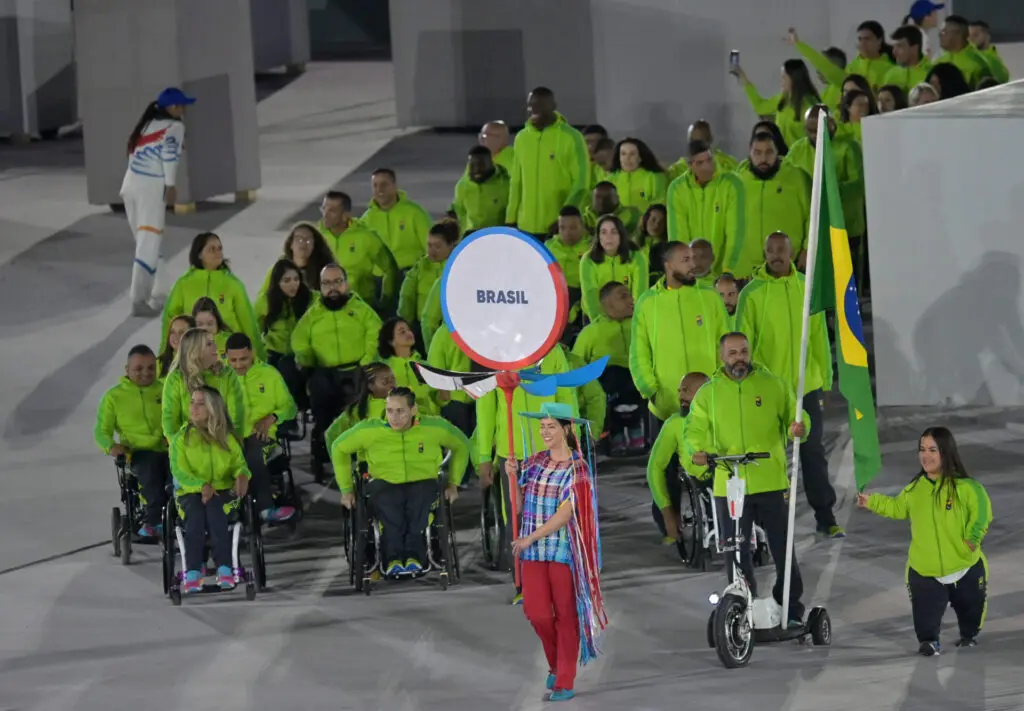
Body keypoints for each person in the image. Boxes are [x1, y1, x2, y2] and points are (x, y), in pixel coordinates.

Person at [685, 332, 809, 625]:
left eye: (743, 351)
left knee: (782, 548)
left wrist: (800, 428)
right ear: (721, 357)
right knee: (736, 552)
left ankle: (790, 606)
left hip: (771, 481)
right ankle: (742, 608)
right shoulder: (708, 393)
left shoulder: (773, 385)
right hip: (728, 485)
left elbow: (798, 418)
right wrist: (697, 452)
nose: (739, 358)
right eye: (732, 353)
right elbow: (693, 432)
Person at [735, 233, 842, 537]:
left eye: (781, 250)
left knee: (812, 453)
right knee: (768, 457)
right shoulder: (752, 295)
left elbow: (820, 336)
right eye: (770, 250)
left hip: (806, 388)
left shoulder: (807, 288)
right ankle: (766, 524)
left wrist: (826, 378)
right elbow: (743, 342)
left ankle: (826, 517)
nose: (775, 255)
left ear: (793, 253)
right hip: (768, 391)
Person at [857, 426, 993, 656]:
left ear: (946, 452)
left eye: (932, 449)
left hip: (965, 567)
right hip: (925, 570)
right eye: (922, 449)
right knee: (925, 620)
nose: (925, 455)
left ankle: (968, 635)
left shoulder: (967, 487)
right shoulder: (914, 489)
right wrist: (872, 501)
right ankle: (930, 641)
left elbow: (981, 513)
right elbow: (897, 508)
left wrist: (972, 539)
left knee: (972, 616)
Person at [506, 401, 605, 702]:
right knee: (536, 613)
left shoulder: (578, 468)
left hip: (563, 550)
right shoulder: (534, 462)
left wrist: (529, 537)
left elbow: (566, 513)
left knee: (565, 614)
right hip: (533, 552)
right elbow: (519, 505)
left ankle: (564, 678)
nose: (545, 432)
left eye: (551, 427)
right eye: (542, 427)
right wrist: (511, 475)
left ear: (566, 429)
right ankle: (555, 662)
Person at [333, 387, 470, 576]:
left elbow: (462, 445)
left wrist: (453, 484)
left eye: (400, 411)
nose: (394, 417)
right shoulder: (370, 429)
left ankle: (415, 556)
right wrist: (346, 489)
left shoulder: (434, 427)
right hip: (384, 482)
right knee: (391, 506)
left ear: (413, 410)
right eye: (390, 411)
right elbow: (338, 448)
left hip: (423, 482)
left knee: (418, 503)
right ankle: (392, 559)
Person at [475, 345, 579, 591]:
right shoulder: (494, 354)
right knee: (517, 518)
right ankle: (524, 585)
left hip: (551, 450)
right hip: (512, 453)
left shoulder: (551, 350)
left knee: (556, 517)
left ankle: (559, 580)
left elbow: (565, 394)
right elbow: (486, 408)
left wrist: (571, 437)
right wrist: (483, 456)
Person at [291, 264, 383, 465]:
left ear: (346, 283)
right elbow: (299, 341)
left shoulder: (361, 310)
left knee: (360, 401)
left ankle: (359, 449)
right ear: (320, 287)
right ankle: (326, 448)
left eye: (337, 282)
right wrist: (307, 361)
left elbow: (375, 334)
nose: (332, 288)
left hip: (358, 369)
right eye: (326, 283)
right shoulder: (313, 315)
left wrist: (366, 363)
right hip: (326, 372)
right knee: (319, 393)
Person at [629, 242, 729, 425]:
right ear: (668, 264)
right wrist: (651, 392)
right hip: (665, 407)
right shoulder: (647, 302)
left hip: (709, 402)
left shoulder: (710, 297)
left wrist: (722, 385)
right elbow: (639, 352)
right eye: (686, 260)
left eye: (693, 258)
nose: (693, 265)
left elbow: (724, 344)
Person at [168, 386, 251, 593]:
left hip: (222, 492)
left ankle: (224, 567)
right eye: (192, 402)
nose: (194, 407)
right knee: (195, 516)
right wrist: (201, 486)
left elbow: (239, 464)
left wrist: (242, 476)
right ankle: (194, 570)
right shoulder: (181, 439)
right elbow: (179, 471)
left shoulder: (227, 439)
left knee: (216, 511)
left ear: (213, 408)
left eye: (200, 403)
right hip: (190, 492)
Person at [121, 87, 194, 317]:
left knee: (148, 243)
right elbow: (169, 157)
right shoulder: (175, 127)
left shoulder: (145, 125)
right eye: (179, 105)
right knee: (148, 244)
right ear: (170, 107)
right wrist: (170, 185)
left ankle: (161, 290)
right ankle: (138, 299)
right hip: (151, 190)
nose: (182, 110)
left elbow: (132, 154)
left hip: (130, 188)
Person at [95, 345, 170, 537]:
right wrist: (111, 446)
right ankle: (154, 521)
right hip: (138, 452)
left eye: (151, 368)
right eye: (138, 369)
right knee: (151, 472)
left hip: (170, 448)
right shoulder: (115, 397)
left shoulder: (166, 389)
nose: (146, 373)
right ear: (127, 370)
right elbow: (102, 431)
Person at [224, 333, 298, 524]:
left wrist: (272, 418)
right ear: (225, 356)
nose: (239, 365)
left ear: (252, 353)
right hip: (229, 438)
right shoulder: (220, 378)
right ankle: (226, 509)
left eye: (243, 359)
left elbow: (289, 408)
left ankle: (265, 508)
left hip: (262, 437)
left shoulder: (269, 374)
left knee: (252, 456)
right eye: (233, 360)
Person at [160, 232, 263, 358]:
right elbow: (170, 320)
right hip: (191, 352)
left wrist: (258, 357)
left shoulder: (232, 284)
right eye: (211, 249)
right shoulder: (183, 284)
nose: (218, 252)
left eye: (220, 248)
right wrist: (164, 354)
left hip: (228, 356)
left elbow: (248, 323)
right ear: (199, 254)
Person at [506, 87, 590, 239]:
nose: (535, 109)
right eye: (531, 105)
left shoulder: (572, 137)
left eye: (541, 105)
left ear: (553, 106)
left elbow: (581, 182)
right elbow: (516, 181)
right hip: (525, 226)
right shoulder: (521, 138)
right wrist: (511, 218)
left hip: (558, 227)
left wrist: (564, 218)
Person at [572, 281, 642, 455]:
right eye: (623, 296)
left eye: (629, 295)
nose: (630, 299)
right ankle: (614, 434)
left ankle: (636, 433)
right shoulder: (592, 332)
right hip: (608, 387)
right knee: (613, 375)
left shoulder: (640, 326)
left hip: (638, 382)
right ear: (607, 304)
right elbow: (576, 365)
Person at [732, 131, 811, 278]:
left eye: (769, 152)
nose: (763, 158)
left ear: (777, 152)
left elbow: (813, 216)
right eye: (757, 152)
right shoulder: (737, 182)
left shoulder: (797, 178)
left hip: (788, 265)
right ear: (749, 153)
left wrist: (808, 250)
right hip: (747, 271)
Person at [785, 106, 865, 241]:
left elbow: (859, 184)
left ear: (832, 124)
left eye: (821, 130)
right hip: (812, 228)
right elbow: (786, 177)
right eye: (810, 131)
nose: (816, 135)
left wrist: (832, 191)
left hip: (846, 227)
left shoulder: (849, 147)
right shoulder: (797, 150)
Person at [646, 371, 708, 544]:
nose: (681, 395)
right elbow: (655, 467)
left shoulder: (722, 418)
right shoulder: (674, 424)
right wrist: (667, 513)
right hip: (699, 480)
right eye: (680, 390)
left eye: (686, 390)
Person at [666, 139, 742, 276]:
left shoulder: (732, 184)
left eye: (709, 160)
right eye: (700, 163)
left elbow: (736, 232)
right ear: (690, 165)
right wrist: (684, 270)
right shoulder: (677, 189)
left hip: (724, 276)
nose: (707, 166)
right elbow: (677, 235)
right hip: (691, 276)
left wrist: (728, 271)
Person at [317, 192, 399, 312]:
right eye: (324, 209)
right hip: (325, 306)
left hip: (361, 308)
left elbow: (390, 268)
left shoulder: (366, 237)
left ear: (345, 215)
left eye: (332, 211)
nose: (325, 215)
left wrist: (386, 301)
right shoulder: (317, 236)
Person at [161, 328, 246, 440]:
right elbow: (170, 420)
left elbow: (236, 415)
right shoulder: (176, 379)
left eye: (214, 342)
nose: (215, 347)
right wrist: (178, 449)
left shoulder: (227, 374)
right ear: (195, 350)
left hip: (223, 442)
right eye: (209, 344)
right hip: (188, 445)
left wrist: (233, 443)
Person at [255, 258, 311, 408]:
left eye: (295, 279)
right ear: (277, 283)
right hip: (273, 353)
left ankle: (288, 419)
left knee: (285, 367)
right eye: (286, 280)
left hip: (301, 357)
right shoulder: (266, 302)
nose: (293, 284)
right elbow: (254, 331)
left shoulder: (309, 299)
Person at [731, 58, 821, 148]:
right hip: (784, 157)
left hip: (803, 159)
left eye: (784, 77)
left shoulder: (811, 105)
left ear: (794, 78)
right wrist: (742, 77)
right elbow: (760, 107)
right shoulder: (783, 99)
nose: (781, 81)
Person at [398, 219, 458, 350]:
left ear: (452, 245)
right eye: (429, 245)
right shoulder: (420, 267)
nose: (432, 251)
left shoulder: (458, 269)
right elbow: (406, 295)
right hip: (419, 330)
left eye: (437, 246)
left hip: (447, 332)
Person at [788, 22, 894, 95]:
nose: (863, 43)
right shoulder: (852, 68)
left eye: (867, 39)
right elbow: (827, 68)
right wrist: (799, 45)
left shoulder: (890, 69)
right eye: (860, 39)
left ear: (879, 40)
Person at [360, 168, 433, 272]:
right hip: (381, 277)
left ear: (395, 186)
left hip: (411, 272)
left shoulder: (414, 213)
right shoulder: (366, 220)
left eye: (384, 184)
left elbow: (431, 246)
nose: (379, 189)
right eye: (375, 185)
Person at [579, 214, 649, 322]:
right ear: (598, 236)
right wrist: (600, 321)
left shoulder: (637, 256)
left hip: (628, 314)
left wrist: (633, 317)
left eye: (614, 232)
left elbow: (640, 291)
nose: (609, 237)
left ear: (621, 235)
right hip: (596, 317)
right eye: (604, 232)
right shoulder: (588, 260)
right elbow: (590, 294)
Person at [324, 362, 396, 450]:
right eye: (385, 382)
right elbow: (331, 434)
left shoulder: (406, 403)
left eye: (393, 379)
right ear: (371, 386)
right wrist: (340, 461)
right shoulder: (356, 411)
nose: (392, 384)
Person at [377, 316, 437, 415]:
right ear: (391, 341)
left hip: (424, 422)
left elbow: (438, 399)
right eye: (402, 332)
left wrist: (443, 394)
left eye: (409, 330)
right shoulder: (384, 369)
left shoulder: (425, 366)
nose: (408, 333)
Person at [545, 206, 590, 338]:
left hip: (580, 296)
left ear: (582, 226)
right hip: (553, 295)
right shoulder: (549, 246)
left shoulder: (592, 247)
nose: (567, 233)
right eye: (562, 228)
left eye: (573, 228)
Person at [451, 146, 511, 235]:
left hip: (497, 237)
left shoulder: (505, 185)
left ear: (491, 163)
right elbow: (457, 210)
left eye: (482, 165)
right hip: (470, 237)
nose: (477, 169)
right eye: (473, 165)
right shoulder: (462, 186)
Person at [261, 222, 334, 293]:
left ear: (314, 245)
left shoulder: (325, 271)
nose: (303, 243)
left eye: (308, 240)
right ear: (291, 244)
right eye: (299, 239)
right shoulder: (279, 269)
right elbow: (263, 298)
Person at [609, 137, 667, 214]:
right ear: (618, 157)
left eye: (632, 154)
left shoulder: (654, 177)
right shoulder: (610, 179)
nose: (627, 158)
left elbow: (659, 207)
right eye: (623, 154)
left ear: (640, 157)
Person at [934, 15, 993, 88]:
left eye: (943, 32)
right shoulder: (939, 62)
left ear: (957, 34)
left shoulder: (978, 63)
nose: (939, 35)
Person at [667, 120, 738, 180]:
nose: (696, 147)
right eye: (692, 142)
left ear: (710, 140)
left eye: (700, 143)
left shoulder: (728, 165)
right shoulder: (678, 169)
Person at [884, 26, 933, 96]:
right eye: (894, 47)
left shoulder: (931, 73)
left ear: (914, 48)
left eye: (899, 46)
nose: (894, 52)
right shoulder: (891, 74)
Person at [968, 20, 1010, 84]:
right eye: (969, 36)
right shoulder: (965, 55)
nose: (971, 39)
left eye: (975, 35)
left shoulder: (993, 59)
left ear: (987, 36)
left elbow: (1003, 79)